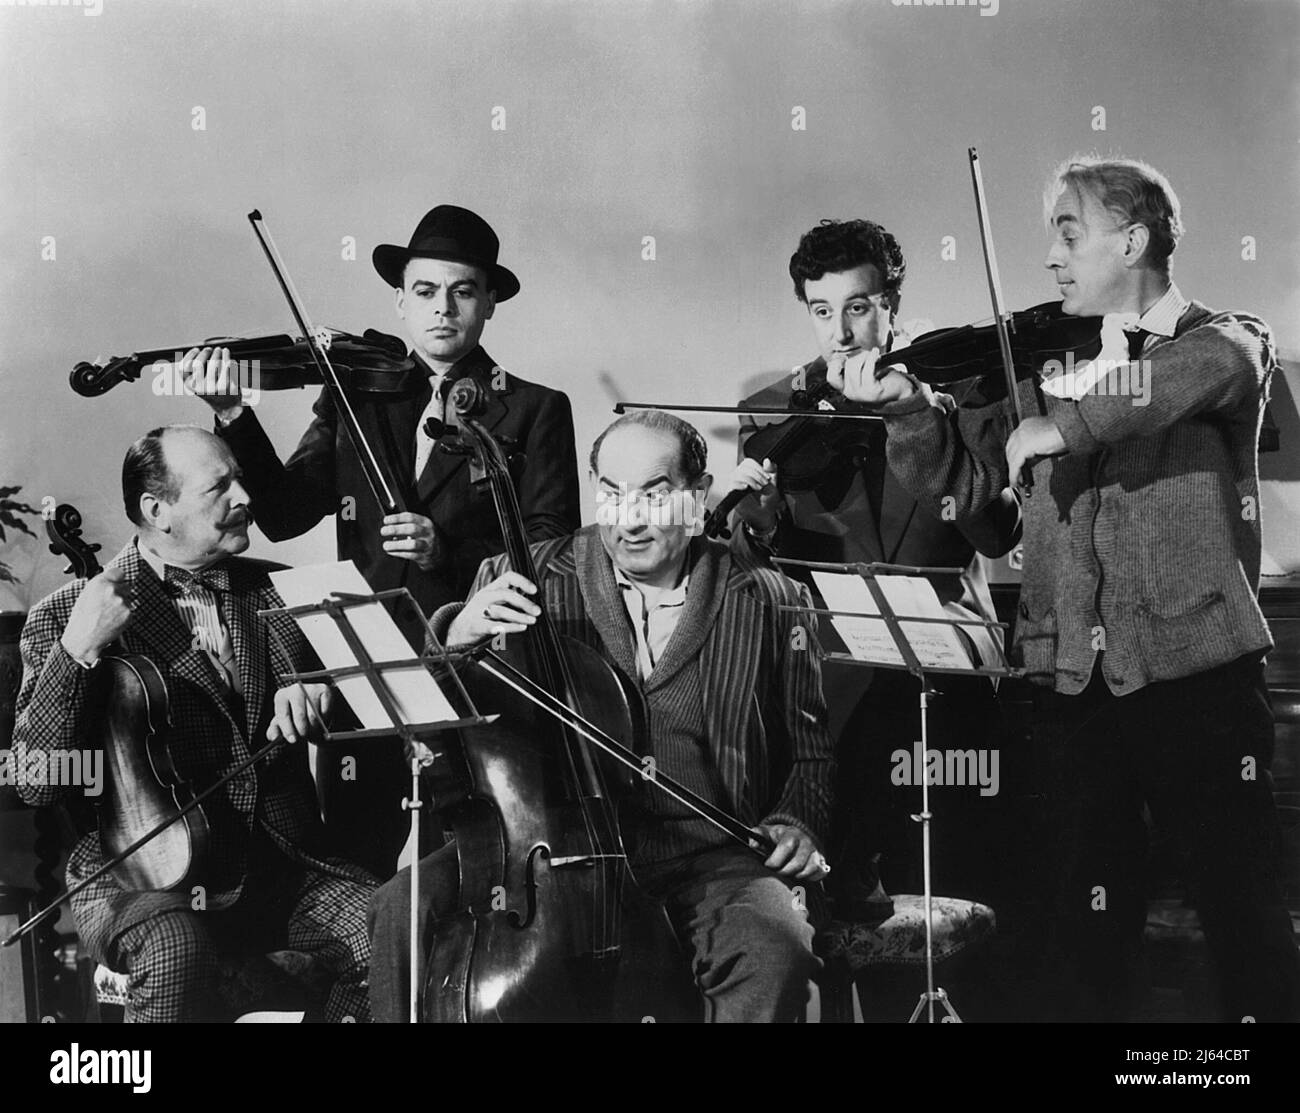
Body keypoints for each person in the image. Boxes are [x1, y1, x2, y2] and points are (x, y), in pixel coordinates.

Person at [834, 156, 1299, 1021]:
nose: (1050, 256)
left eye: (1068, 232)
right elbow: (985, 518)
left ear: (1135, 239)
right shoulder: (1035, 375)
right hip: (1068, 694)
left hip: (1197, 678)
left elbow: (1189, 377)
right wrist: (908, 414)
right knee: (1083, 930)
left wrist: (1065, 420)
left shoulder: (1225, 340)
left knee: (1244, 915)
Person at [367, 409, 835, 1022]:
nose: (629, 518)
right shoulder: (520, 576)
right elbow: (433, 744)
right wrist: (457, 636)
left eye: (654, 494)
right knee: (403, 905)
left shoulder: (773, 598)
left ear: (697, 496)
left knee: (774, 947)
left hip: (705, 856)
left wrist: (795, 820)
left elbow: (810, 750)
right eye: (611, 494)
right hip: (542, 852)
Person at [185, 204, 582, 876]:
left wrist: (446, 551)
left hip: (470, 659)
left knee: (460, 858)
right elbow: (283, 514)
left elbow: (554, 550)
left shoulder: (535, 408)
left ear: (489, 303)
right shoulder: (355, 396)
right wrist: (232, 413)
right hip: (360, 651)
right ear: (400, 302)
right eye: (425, 292)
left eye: (463, 291)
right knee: (351, 855)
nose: (443, 309)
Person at [12, 425, 377, 1022]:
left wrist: (322, 692)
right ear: (157, 511)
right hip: (142, 878)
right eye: (220, 486)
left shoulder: (280, 589)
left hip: (279, 867)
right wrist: (78, 650)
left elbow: (373, 694)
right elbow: (37, 780)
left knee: (391, 928)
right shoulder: (66, 615)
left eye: (240, 478)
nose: (246, 497)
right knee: (176, 948)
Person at [726, 219, 1020, 918]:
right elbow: (759, 568)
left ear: (890, 303)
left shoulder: (966, 389)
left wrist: (916, 416)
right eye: (822, 311)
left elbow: (997, 527)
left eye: (858, 307)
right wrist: (762, 522)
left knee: (961, 894)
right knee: (846, 909)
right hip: (833, 685)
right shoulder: (771, 410)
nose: (841, 332)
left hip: (950, 675)